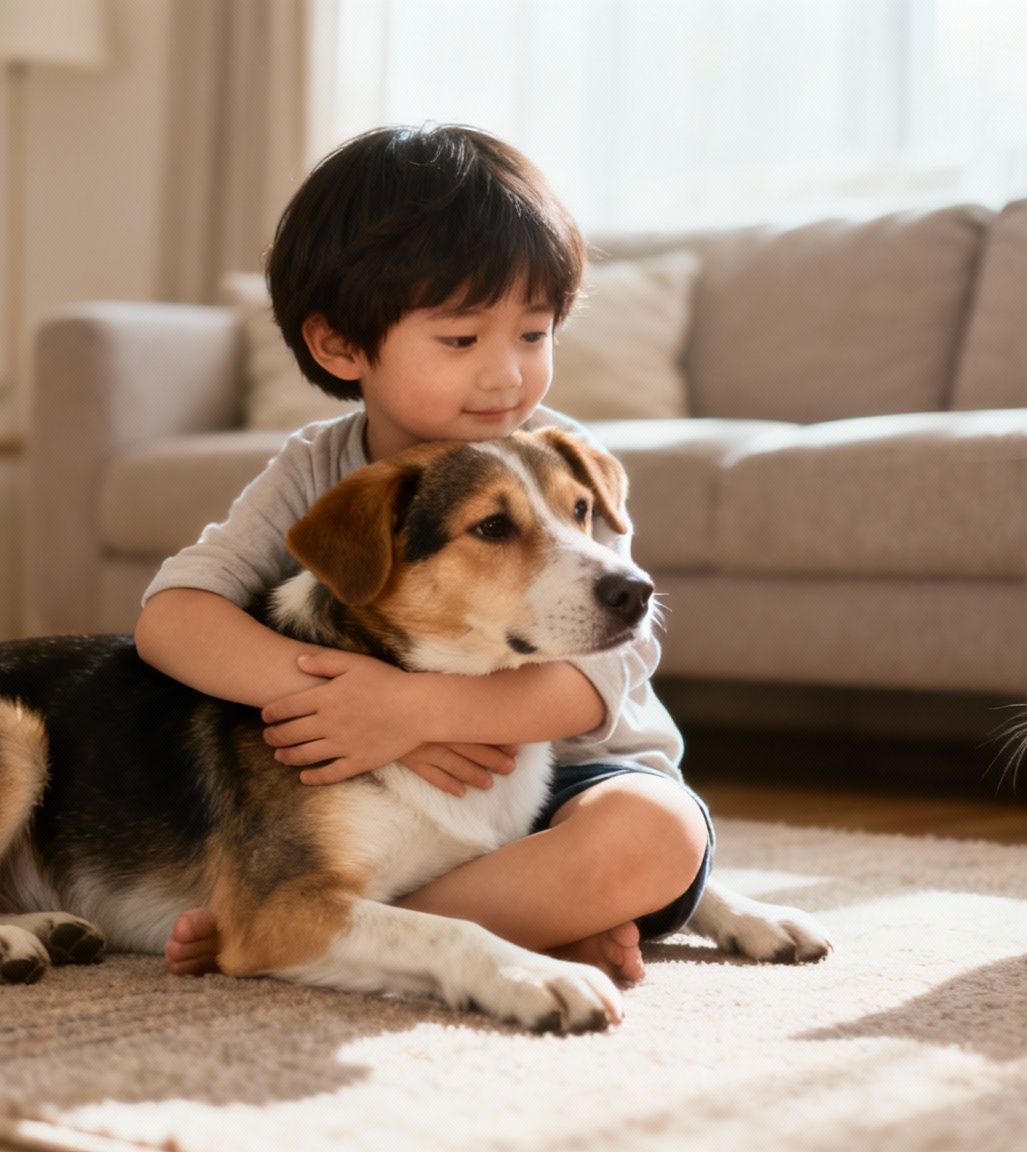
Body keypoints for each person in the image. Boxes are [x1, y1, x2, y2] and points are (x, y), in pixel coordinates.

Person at [134, 124, 710, 985]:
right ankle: (516, 922)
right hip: (407, 799)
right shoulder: (317, 470)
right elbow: (172, 618)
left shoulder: (561, 462)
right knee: (368, 845)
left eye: (532, 334)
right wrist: (335, 698)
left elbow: (593, 682)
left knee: (654, 837)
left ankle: (304, 925)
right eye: (461, 339)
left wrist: (413, 712)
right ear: (340, 347)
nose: (506, 377)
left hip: (574, 782)